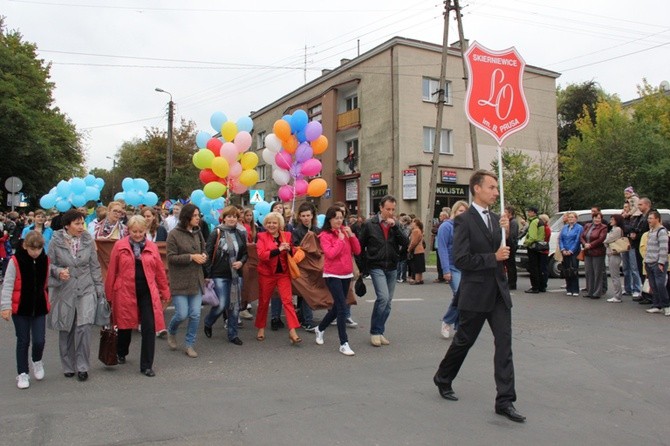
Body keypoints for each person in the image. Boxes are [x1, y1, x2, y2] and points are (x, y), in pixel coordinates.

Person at [433, 170, 525, 423]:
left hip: (498, 293)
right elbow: (461, 259)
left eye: (497, 188)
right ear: (477, 189)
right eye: (492, 187)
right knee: (464, 341)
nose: (496, 192)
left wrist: (509, 233)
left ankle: (505, 401)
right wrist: (491, 258)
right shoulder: (463, 221)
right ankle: (443, 377)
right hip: (475, 293)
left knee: (504, 346)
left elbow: (506, 253)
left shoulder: (498, 219)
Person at [105, 216, 170, 377]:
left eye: (141, 231)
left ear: (145, 230)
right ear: (129, 230)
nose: (138, 234)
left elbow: (159, 271)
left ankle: (146, 365)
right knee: (125, 325)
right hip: (125, 290)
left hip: (147, 291)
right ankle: (121, 351)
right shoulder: (119, 246)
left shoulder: (152, 247)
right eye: (134, 231)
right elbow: (112, 270)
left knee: (149, 327)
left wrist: (165, 291)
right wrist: (108, 295)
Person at [47, 209, 105, 382]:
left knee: (84, 327)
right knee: (67, 328)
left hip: (86, 288)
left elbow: (94, 266)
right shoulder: (56, 241)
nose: (81, 227)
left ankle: (82, 366)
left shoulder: (88, 240)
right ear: (67, 225)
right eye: (77, 223)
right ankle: (68, 365)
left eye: (82, 223)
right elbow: (49, 265)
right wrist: (58, 272)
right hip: (65, 289)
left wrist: (99, 288)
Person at [1, 232, 49, 389]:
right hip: (20, 309)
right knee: (23, 340)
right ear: (25, 246)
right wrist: (5, 306)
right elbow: (8, 285)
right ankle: (22, 373)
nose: (36, 252)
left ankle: (37, 360)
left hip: (39, 307)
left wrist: (59, 273)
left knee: (39, 340)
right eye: (32, 249)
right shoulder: (15, 261)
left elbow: (51, 274)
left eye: (39, 249)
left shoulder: (45, 260)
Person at [358, 195, 408, 347]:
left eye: (393, 209)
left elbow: (405, 242)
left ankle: (380, 331)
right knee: (383, 298)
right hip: (376, 265)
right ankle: (374, 332)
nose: (390, 212)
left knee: (388, 303)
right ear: (380, 208)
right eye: (388, 209)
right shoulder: (369, 224)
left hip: (392, 266)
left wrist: (396, 227)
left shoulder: (396, 225)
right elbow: (360, 246)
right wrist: (363, 266)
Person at [314, 205, 361, 356]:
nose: (339, 221)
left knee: (337, 308)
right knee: (342, 307)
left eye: (341, 218)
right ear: (330, 219)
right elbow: (330, 254)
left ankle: (320, 328)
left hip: (346, 273)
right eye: (336, 218)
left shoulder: (345, 232)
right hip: (332, 274)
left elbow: (358, 251)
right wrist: (340, 240)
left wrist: (351, 236)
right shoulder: (324, 235)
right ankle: (344, 343)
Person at [165, 203, 207, 358]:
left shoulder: (198, 232)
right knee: (182, 314)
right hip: (180, 280)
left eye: (199, 215)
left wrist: (203, 256)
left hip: (196, 279)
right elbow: (171, 257)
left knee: (195, 314)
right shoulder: (174, 234)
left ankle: (189, 344)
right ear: (187, 217)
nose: (198, 218)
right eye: (195, 215)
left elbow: (203, 249)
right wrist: (191, 257)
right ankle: (172, 330)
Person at [254, 212, 302, 344]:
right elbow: (262, 255)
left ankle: (292, 331)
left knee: (287, 301)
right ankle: (261, 328)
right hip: (267, 274)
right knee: (264, 302)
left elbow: (292, 252)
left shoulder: (286, 235)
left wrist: (290, 249)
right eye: (269, 222)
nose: (271, 225)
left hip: (283, 274)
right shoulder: (261, 236)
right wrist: (279, 249)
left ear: (279, 224)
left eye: (274, 223)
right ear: (265, 224)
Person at [203, 206, 248, 344]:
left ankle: (233, 334)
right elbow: (208, 254)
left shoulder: (240, 233)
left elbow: (245, 253)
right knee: (222, 304)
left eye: (234, 216)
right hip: (219, 274)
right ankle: (208, 321)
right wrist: (207, 274)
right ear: (224, 218)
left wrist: (241, 262)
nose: (232, 219)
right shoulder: (216, 232)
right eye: (229, 216)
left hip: (236, 275)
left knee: (234, 305)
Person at [437, 200, 469, 339]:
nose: (463, 214)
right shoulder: (446, 227)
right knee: (460, 295)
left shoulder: (467, 227)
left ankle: (458, 326)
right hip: (452, 266)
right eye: (460, 211)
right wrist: (446, 270)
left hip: (465, 266)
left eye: (465, 211)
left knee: (464, 297)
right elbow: (442, 248)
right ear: (454, 212)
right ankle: (447, 321)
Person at [292, 202, 319, 332]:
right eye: (303, 216)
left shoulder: (317, 230)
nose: (306, 218)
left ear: (312, 216)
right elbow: (295, 248)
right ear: (299, 217)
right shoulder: (296, 231)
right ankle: (307, 320)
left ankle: (303, 318)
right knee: (306, 292)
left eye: (308, 215)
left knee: (305, 294)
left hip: (314, 265)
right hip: (302, 266)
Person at [643, 210, 670, 315]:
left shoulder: (662, 231)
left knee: (660, 284)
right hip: (649, 262)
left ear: (657, 219)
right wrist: (646, 260)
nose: (648, 220)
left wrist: (661, 263)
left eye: (651, 218)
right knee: (653, 285)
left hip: (658, 263)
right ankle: (657, 305)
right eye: (648, 218)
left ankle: (666, 305)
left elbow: (664, 248)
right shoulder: (651, 231)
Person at [580, 212, 608, 299]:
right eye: (595, 218)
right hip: (587, 252)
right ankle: (590, 291)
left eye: (599, 218)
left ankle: (597, 292)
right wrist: (585, 244)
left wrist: (590, 245)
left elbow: (601, 238)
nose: (597, 220)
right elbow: (582, 236)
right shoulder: (587, 225)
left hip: (598, 252)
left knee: (597, 273)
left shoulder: (603, 227)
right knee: (588, 272)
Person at [630, 198, 652, 303]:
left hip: (646, 247)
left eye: (641, 204)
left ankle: (650, 295)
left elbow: (646, 231)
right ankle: (645, 293)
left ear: (647, 205)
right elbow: (636, 228)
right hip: (638, 245)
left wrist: (637, 235)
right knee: (641, 271)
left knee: (647, 272)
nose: (638, 206)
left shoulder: (651, 216)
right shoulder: (640, 217)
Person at [559, 212, 583, 296]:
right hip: (564, 250)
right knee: (566, 269)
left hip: (574, 251)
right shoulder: (565, 227)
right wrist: (562, 249)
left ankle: (575, 289)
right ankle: (568, 288)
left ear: (576, 218)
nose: (570, 219)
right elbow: (561, 239)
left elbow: (577, 240)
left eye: (572, 217)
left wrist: (571, 250)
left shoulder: (579, 228)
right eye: (569, 217)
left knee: (573, 270)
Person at [621, 202, 643, 298]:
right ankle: (627, 288)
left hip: (632, 245)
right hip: (624, 244)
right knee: (626, 268)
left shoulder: (636, 218)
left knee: (634, 268)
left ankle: (637, 289)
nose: (625, 209)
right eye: (624, 207)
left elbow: (632, 229)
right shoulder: (623, 219)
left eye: (627, 207)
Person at [604, 214, 625, 303]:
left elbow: (607, 240)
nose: (611, 221)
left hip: (614, 254)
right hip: (610, 253)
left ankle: (617, 296)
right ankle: (617, 294)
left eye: (613, 219)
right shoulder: (613, 229)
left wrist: (605, 241)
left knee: (615, 276)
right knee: (613, 276)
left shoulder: (617, 229)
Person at [523, 206, 543, 293]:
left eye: (530, 212)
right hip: (540, 247)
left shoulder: (534, 222)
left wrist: (526, 242)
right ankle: (540, 286)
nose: (528, 213)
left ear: (534, 213)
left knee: (533, 267)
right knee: (538, 267)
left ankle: (534, 287)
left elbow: (533, 237)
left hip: (533, 247)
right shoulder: (539, 221)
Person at [503, 206, 519, 290]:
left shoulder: (513, 222)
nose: (503, 213)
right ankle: (508, 281)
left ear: (509, 213)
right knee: (507, 265)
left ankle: (512, 283)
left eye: (505, 212)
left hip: (511, 246)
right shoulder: (508, 221)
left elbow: (511, 236)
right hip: (507, 245)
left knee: (511, 265)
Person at [407, 218, 426, 285]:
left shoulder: (415, 231)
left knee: (416, 265)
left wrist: (409, 249)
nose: (411, 223)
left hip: (416, 250)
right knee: (420, 265)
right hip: (421, 250)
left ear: (416, 224)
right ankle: (420, 279)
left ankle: (417, 280)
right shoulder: (420, 230)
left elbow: (413, 242)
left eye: (413, 222)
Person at [432, 211, 449, 283]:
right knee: (439, 262)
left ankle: (446, 276)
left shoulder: (446, 224)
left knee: (444, 261)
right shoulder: (439, 224)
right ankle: (440, 276)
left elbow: (435, 230)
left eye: (440, 216)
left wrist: (439, 229)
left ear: (444, 216)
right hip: (438, 245)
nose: (439, 217)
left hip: (445, 245)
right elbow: (433, 229)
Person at [395, 215, 411, 283]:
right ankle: (397, 276)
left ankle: (402, 277)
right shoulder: (401, 227)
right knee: (398, 262)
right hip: (400, 245)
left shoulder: (408, 228)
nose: (401, 222)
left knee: (403, 262)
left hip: (404, 245)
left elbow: (405, 237)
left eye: (402, 221)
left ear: (406, 222)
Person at [538, 214, 552, 292]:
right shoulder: (544, 227)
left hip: (543, 250)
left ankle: (543, 284)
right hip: (542, 250)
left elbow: (545, 238)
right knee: (541, 267)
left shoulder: (546, 228)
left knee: (543, 268)